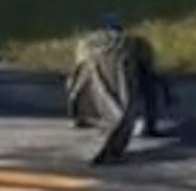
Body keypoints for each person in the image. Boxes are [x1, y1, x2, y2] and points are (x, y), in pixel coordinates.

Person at [65, 14, 175, 165]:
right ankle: (148, 127)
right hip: (121, 79)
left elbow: (77, 70)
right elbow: (150, 71)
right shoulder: (134, 42)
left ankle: (80, 118)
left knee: (79, 80)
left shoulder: (85, 43)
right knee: (146, 83)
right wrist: (166, 92)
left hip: (87, 83)